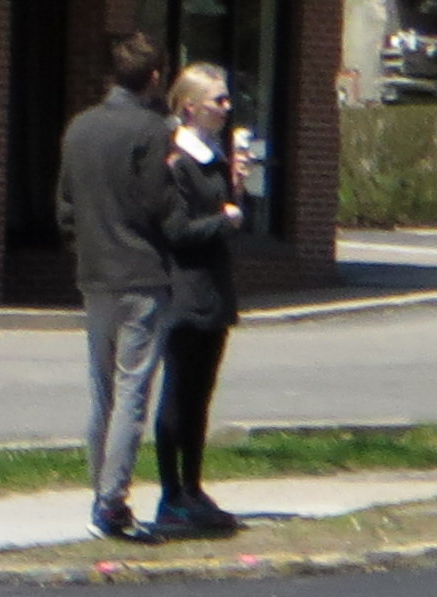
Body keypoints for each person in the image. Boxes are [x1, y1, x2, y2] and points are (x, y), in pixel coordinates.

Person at [58, 31, 177, 544]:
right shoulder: (153, 131)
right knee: (132, 392)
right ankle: (111, 503)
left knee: (102, 393)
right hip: (142, 275)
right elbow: (161, 207)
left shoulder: (80, 129)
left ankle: (100, 495)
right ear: (154, 77)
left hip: (95, 275)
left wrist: (85, 250)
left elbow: (65, 207)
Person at [154, 63, 244, 537]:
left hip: (214, 289)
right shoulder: (177, 160)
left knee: (202, 395)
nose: (227, 108)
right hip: (185, 291)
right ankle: (171, 494)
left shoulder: (213, 154)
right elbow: (177, 231)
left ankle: (194, 485)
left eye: (227, 99)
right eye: (218, 100)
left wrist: (236, 190)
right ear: (190, 106)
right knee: (179, 391)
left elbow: (223, 212)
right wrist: (223, 220)